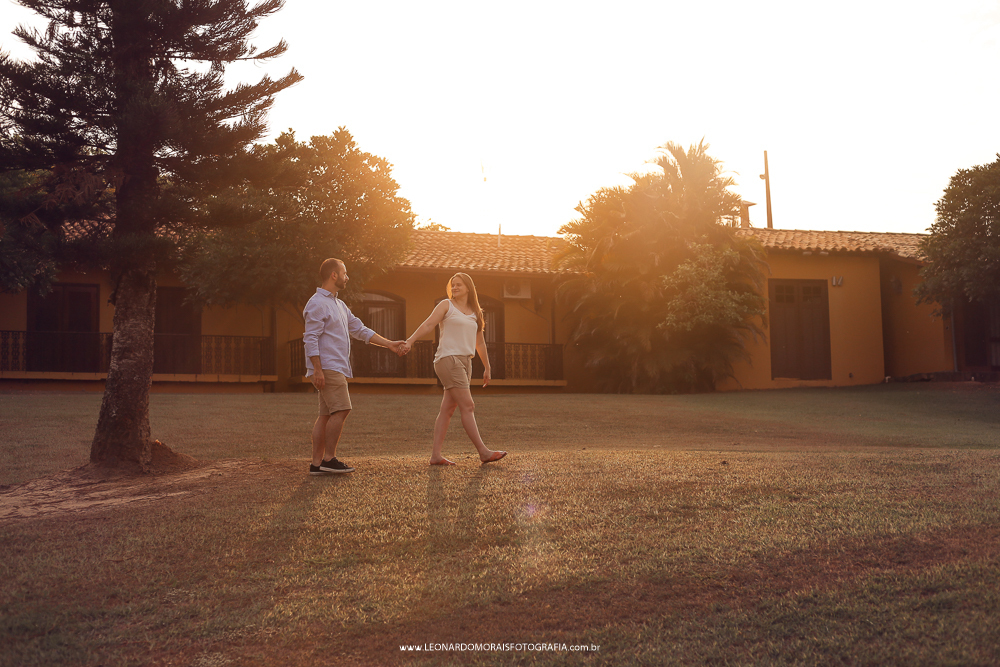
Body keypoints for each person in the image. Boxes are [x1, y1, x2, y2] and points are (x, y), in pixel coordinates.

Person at [303, 258, 404, 475]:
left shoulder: (339, 305)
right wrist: (317, 369)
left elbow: (360, 329)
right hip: (328, 367)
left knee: (326, 414)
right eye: (344, 273)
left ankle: (316, 464)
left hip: (333, 366)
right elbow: (310, 338)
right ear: (334, 275)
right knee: (342, 409)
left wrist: (389, 344)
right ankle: (329, 460)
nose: (347, 278)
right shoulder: (317, 303)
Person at [399, 272, 506, 466]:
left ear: (468, 288)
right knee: (468, 406)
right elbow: (428, 324)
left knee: (448, 409)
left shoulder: (476, 312)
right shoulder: (446, 305)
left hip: (466, 362)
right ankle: (483, 452)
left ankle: (436, 456)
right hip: (448, 359)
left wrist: (487, 367)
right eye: (453, 285)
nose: (455, 288)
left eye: (459, 285)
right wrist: (410, 341)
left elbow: (480, 342)